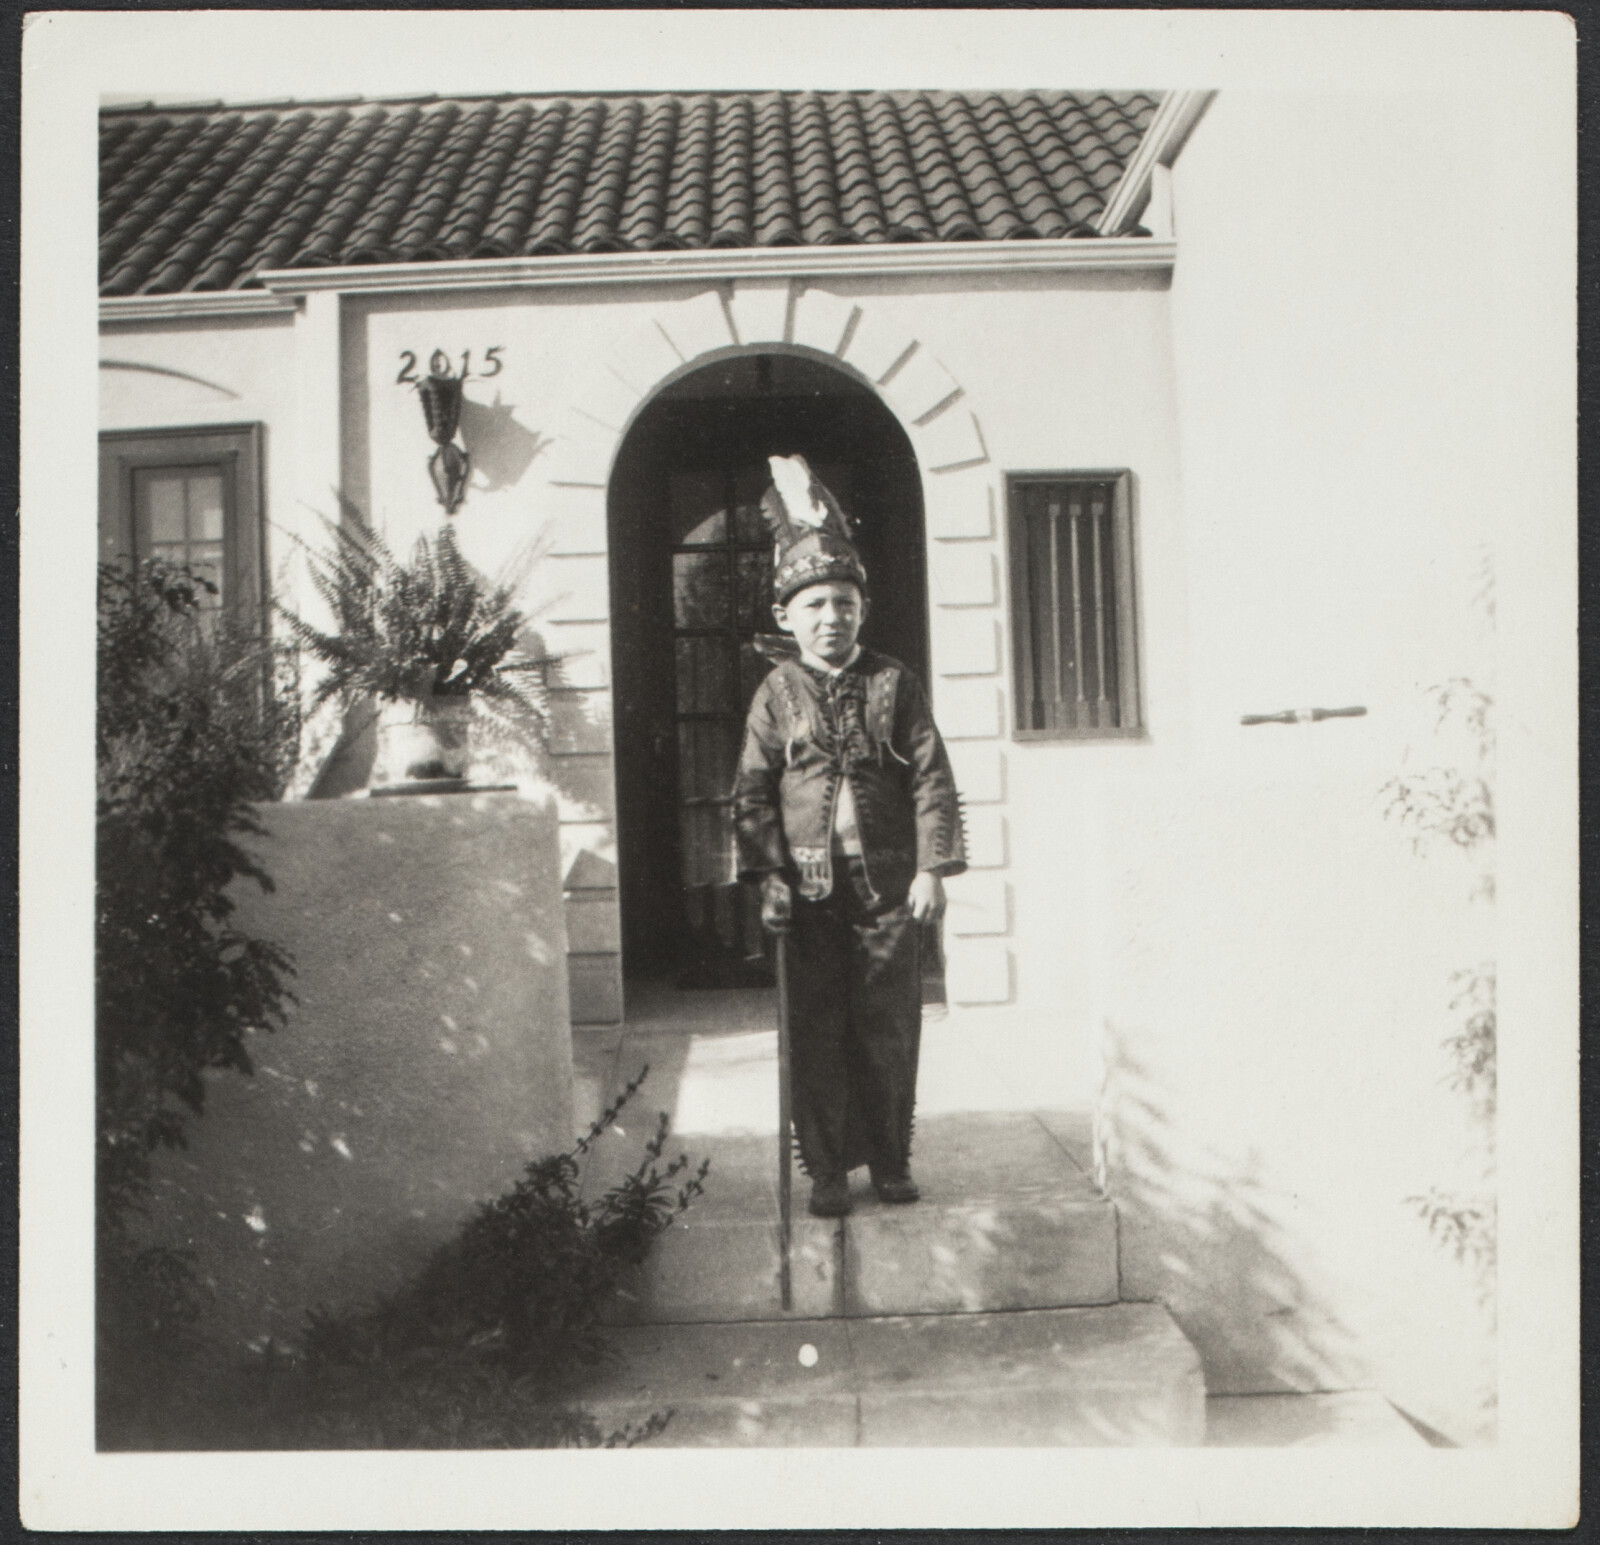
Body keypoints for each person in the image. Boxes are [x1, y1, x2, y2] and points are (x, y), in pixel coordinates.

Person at [733, 454, 967, 1218]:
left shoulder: (894, 682)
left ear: (862, 610)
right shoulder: (776, 691)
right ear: (786, 617)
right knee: (816, 1032)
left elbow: (931, 775)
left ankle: (891, 1160)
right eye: (815, 606)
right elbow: (752, 790)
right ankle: (827, 1169)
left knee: (888, 1027)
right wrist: (768, 874)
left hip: (888, 889)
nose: (831, 617)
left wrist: (932, 868)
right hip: (804, 896)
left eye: (844, 603)